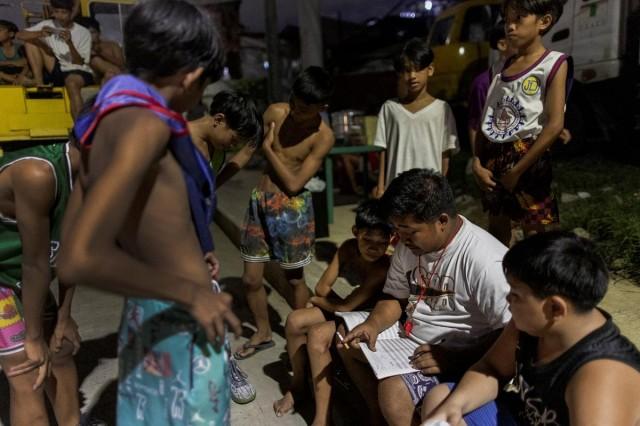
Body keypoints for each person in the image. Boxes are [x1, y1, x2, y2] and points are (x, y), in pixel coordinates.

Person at [57, 1, 242, 424]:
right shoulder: (148, 125)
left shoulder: (100, 121)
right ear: (191, 75)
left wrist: (188, 253)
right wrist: (192, 291)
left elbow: (130, 222)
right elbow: (78, 257)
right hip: (180, 315)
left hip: (147, 311)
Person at [340, 168, 511, 426]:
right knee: (345, 337)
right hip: (410, 343)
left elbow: (512, 334)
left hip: (464, 358)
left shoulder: (486, 261)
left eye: (409, 231)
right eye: (397, 230)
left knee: (393, 391)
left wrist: (455, 358)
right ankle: (376, 416)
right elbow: (393, 296)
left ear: (442, 220)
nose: (401, 239)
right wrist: (373, 324)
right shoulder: (409, 246)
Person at [423, 231, 640, 426]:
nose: (508, 299)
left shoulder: (602, 374)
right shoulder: (533, 324)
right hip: (522, 415)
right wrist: (455, 406)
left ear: (555, 307)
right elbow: (492, 368)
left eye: (515, 294)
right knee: (442, 401)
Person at [235, 66, 335, 359]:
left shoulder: (323, 137)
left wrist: (268, 151)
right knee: (251, 279)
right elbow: (249, 148)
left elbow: (294, 183)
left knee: (294, 279)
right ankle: (264, 331)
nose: (294, 111)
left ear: (321, 108)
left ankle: (303, 334)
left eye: (304, 109)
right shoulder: (276, 113)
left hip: (292, 210)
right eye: (293, 102)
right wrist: (216, 177)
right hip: (260, 202)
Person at [273, 199, 392, 423]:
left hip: (371, 315)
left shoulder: (382, 267)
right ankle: (298, 386)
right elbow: (322, 287)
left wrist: (320, 301)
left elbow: (339, 303)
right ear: (356, 232)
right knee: (294, 320)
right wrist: (329, 302)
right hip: (350, 308)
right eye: (367, 239)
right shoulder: (347, 248)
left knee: (318, 333)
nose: (374, 247)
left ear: (390, 240)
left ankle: (322, 417)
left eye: (381, 242)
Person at [471, 0, 573, 246]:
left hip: (530, 159)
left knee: (539, 236)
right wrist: (476, 163)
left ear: (544, 22)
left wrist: (517, 171)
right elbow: (488, 122)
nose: (510, 26)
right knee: (497, 233)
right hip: (494, 159)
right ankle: (503, 284)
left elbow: (554, 125)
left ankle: (540, 284)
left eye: (519, 19)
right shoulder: (499, 69)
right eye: (507, 20)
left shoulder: (554, 63)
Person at [188, 90, 262, 405]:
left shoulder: (216, 144)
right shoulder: (182, 145)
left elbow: (235, 161)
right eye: (233, 137)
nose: (233, 146)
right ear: (218, 120)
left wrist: (259, 137)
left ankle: (223, 364)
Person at [0, 140, 81, 426]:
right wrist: (33, 337)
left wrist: (64, 315)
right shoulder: (38, 174)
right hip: (8, 275)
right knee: (29, 371)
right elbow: (35, 264)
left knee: (61, 349)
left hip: (22, 275)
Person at [373, 38, 459, 199]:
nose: (412, 76)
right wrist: (381, 188)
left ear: (430, 70)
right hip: (396, 191)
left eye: (418, 69)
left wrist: (441, 189)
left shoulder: (442, 109)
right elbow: (383, 151)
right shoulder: (390, 108)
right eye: (406, 70)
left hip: (429, 192)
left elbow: (445, 154)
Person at [17, 0, 94, 119]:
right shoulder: (49, 24)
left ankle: (80, 127)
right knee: (30, 40)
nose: (60, 16)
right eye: (57, 12)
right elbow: (19, 35)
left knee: (71, 82)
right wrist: (39, 33)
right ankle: (39, 81)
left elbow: (79, 62)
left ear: (71, 12)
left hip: (78, 70)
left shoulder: (83, 32)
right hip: (57, 68)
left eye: (63, 12)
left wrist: (70, 43)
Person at [188, 90, 262, 189]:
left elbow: (245, 154)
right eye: (233, 139)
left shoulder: (217, 146)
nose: (234, 145)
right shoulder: (180, 139)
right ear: (218, 120)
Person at [467, 21, 516, 157]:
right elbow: (475, 125)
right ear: (502, 44)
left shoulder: (532, 76)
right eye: (516, 37)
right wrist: (477, 159)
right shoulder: (483, 83)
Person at [75, 16, 124, 84]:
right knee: (95, 60)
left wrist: (101, 52)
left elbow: (122, 64)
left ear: (99, 32)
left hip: (112, 76)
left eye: (93, 32)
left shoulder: (112, 45)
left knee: (109, 75)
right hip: (94, 77)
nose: (90, 36)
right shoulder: (80, 48)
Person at [0, 20, 31, 85]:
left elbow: (28, 63)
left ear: (11, 34)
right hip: (3, 75)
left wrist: (21, 76)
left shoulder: (20, 48)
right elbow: (20, 62)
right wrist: (13, 63)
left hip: (19, 74)